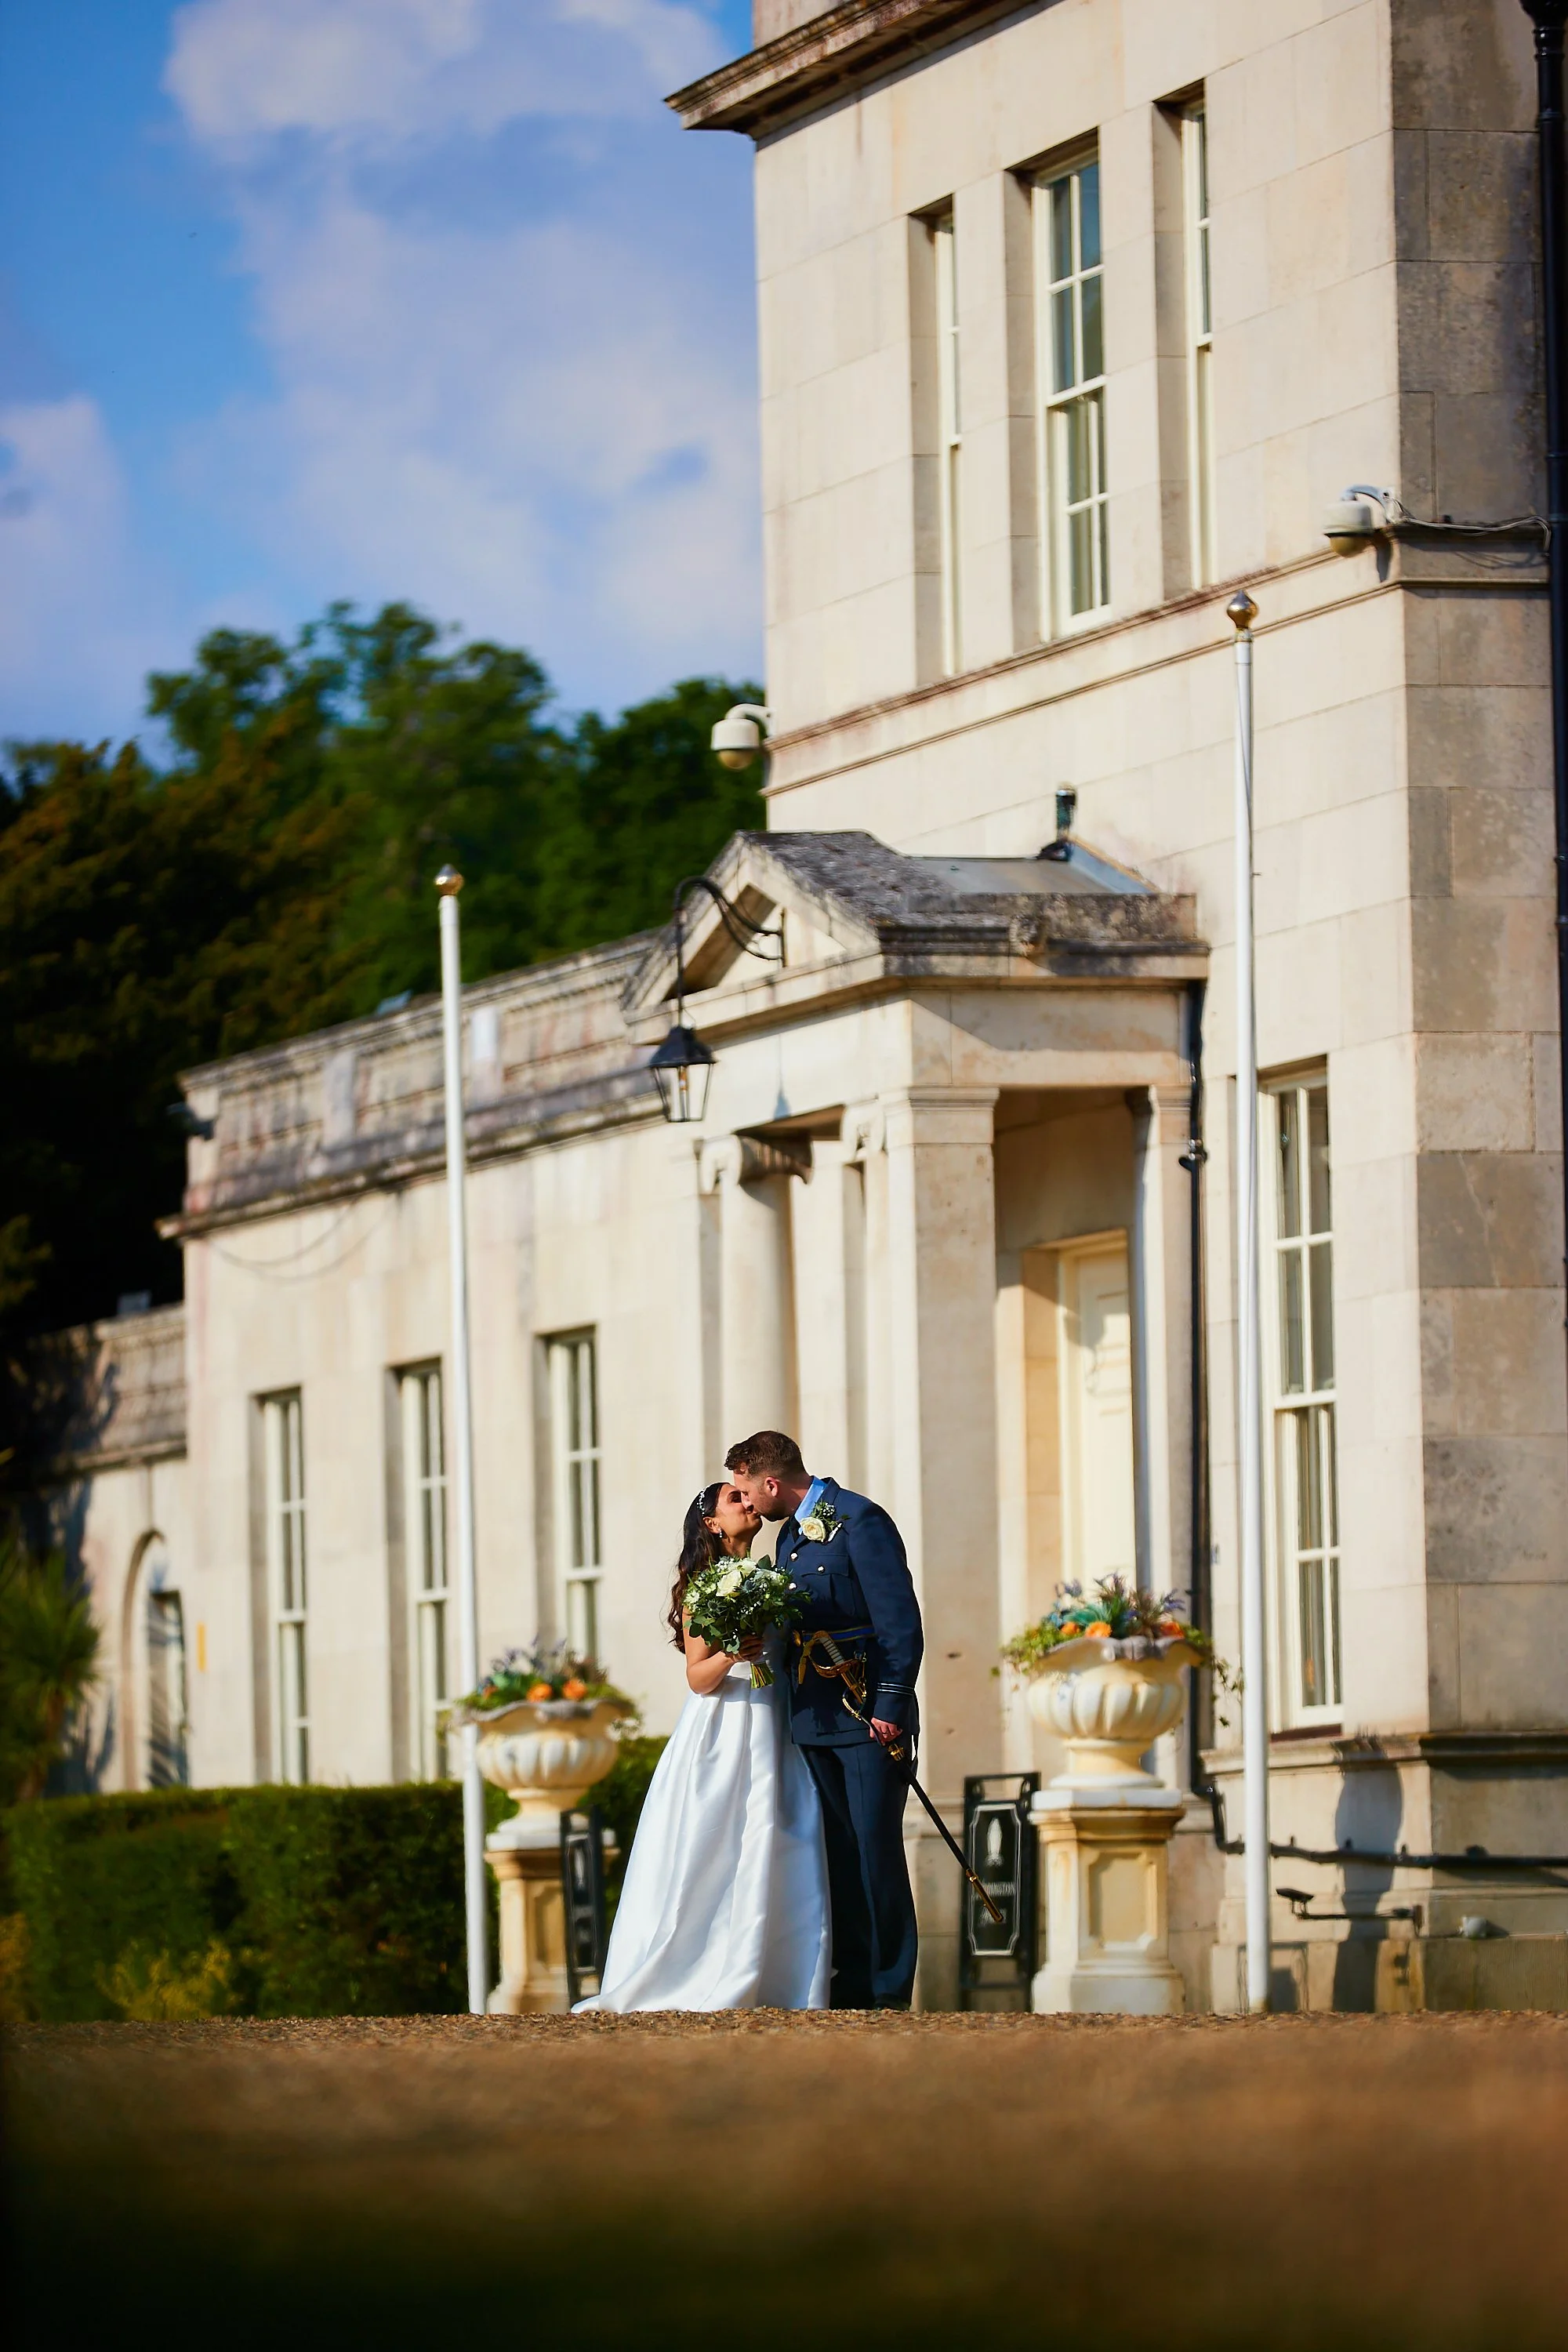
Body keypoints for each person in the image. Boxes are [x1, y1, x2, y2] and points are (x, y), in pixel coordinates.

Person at [574, 1479, 829, 2013]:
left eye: (746, 1496)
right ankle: (700, 1968)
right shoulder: (702, 1586)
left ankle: (782, 1975)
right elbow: (697, 1676)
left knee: (783, 1835)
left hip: (776, 1721)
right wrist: (734, 1653)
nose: (747, 1502)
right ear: (713, 1524)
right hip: (725, 1726)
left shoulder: (775, 1574)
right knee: (717, 1843)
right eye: (733, 1500)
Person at [724, 1431, 923, 2011]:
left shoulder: (861, 1520)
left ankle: (887, 1989)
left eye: (746, 1491)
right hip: (812, 1716)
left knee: (874, 1850)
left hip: (864, 1715)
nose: (748, 1504)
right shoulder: (788, 1537)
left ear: (770, 1481)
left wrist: (890, 1704)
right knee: (836, 1852)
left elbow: (899, 1621)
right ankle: (852, 1983)